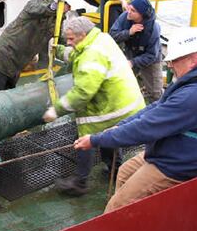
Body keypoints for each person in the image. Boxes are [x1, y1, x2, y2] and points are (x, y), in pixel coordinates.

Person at [75, 27, 197, 212]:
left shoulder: (191, 95)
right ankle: (134, 215)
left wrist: (95, 140)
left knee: (116, 206)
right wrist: (119, 126)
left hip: (177, 164)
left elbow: (147, 128)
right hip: (168, 150)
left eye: (174, 60)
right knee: (124, 172)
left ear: (193, 59)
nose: (170, 65)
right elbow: (156, 108)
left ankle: (120, 221)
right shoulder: (187, 82)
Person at [43, 16, 145, 196]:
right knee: (109, 133)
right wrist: (58, 50)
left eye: (71, 39)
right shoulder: (100, 38)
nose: (68, 42)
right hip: (126, 101)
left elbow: (83, 92)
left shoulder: (91, 56)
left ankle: (79, 182)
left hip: (112, 106)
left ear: (82, 35)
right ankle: (116, 167)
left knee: (85, 137)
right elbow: (76, 52)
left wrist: (56, 109)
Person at [0, 0, 70, 94]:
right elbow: (37, 9)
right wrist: (53, 6)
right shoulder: (34, 5)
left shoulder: (56, 20)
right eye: (67, 6)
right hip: (4, 56)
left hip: (18, 63)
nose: (68, 9)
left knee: (7, 95)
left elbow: (60, 37)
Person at [110, 0, 163, 102]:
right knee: (121, 86)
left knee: (156, 94)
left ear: (141, 15)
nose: (128, 11)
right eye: (129, 7)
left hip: (150, 60)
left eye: (133, 10)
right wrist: (129, 32)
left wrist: (132, 62)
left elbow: (152, 55)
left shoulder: (153, 29)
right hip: (131, 53)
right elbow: (112, 35)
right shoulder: (125, 17)